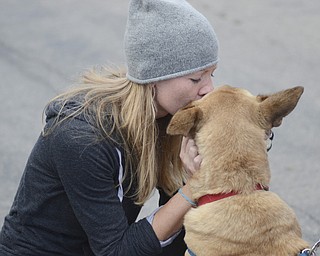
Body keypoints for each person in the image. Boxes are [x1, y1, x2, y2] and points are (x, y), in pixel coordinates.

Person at [0, 0, 219, 255]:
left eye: (211, 74)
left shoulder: (169, 115)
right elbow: (115, 252)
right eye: (195, 78)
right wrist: (194, 187)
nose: (208, 89)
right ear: (153, 77)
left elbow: (178, 230)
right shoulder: (81, 138)